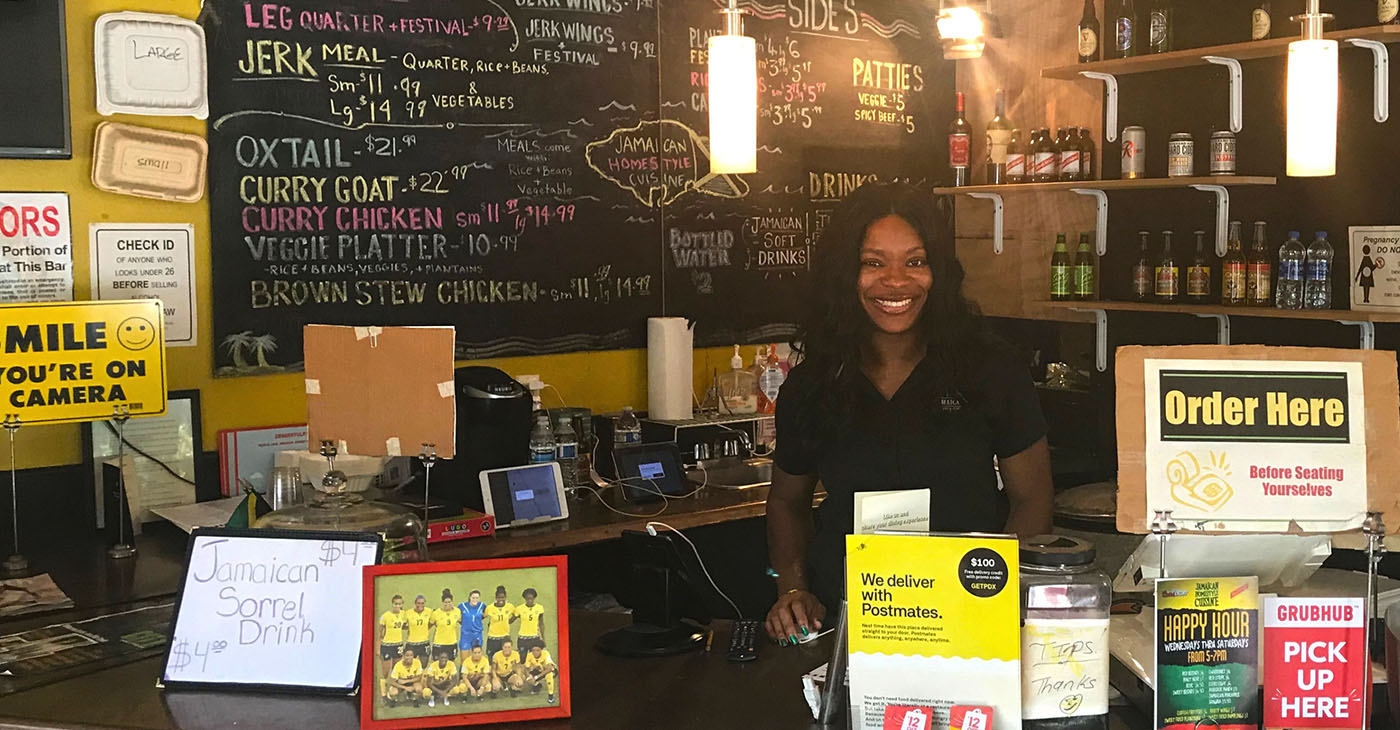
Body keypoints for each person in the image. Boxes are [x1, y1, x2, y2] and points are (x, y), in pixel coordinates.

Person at [763, 183, 1053, 645]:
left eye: (915, 262)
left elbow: (1033, 500)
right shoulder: (814, 385)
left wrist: (989, 593)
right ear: (845, 274)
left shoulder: (991, 371)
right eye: (873, 263)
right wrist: (793, 589)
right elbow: (785, 502)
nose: (895, 281)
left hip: (966, 619)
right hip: (845, 620)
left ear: (938, 272)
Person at [376, 594, 407, 697]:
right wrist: (378, 648)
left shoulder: (404, 614)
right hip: (387, 645)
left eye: (399, 604)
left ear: (402, 604)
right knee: (385, 670)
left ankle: (391, 690)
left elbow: (405, 626)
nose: (397, 606)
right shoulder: (385, 616)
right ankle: (383, 692)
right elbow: (380, 634)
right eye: (395, 604)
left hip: (398, 645)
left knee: (395, 669)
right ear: (392, 604)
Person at [483, 585, 516, 658]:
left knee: (506, 658)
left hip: (505, 638)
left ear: (505, 597)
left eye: (502, 597)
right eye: (499, 597)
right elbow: (482, 617)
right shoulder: (490, 608)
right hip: (493, 638)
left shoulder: (510, 607)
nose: (501, 599)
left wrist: (509, 621)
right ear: (495, 598)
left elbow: (516, 614)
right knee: (491, 660)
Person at [430, 589, 461, 661]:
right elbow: (430, 624)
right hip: (439, 643)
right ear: (442, 602)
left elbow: (461, 621)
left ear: (452, 602)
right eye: (445, 602)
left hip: (452, 642)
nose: (447, 604)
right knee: (437, 663)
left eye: (449, 602)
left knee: (451, 663)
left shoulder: (457, 611)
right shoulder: (436, 613)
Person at [515, 587, 547, 652]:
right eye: (527, 599)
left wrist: (543, 638)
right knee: (522, 659)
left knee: (534, 658)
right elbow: (511, 620)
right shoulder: (519, 608)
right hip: (522, 638)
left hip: (535, 638)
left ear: (534, 598)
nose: (529, 600)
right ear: (525, 599)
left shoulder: (539, 608)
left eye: (531, 598)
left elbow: (541, 624)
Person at [457, 589, 487, 653]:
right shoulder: (462, 606)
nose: (475, 599)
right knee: (465, 659)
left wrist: (477, 621)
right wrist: (464, 622)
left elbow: (485, 614)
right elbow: (455, 615)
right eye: (473, 598)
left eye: (477, 598)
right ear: (469, 598)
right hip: (465, 635)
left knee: (476, 657)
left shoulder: (482, 605)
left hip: (477, 635)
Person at [404, 594, 432, 661]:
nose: (420, 605)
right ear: (415, 603)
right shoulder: (408, 613)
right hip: (411, 643)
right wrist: (410, 627)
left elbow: (433, 622)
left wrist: (425, 627)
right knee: (409, 663)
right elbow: (402, 625)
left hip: (424, 642)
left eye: (422, 603)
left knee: (424, 665)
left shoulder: (429, 611)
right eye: (418, 603)